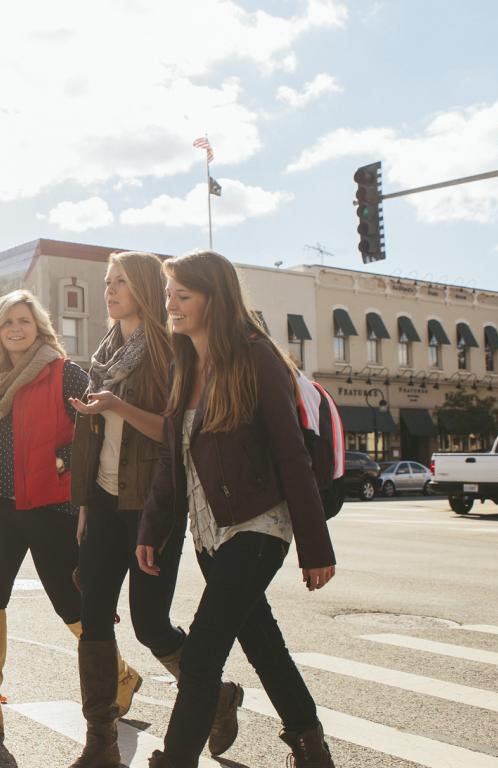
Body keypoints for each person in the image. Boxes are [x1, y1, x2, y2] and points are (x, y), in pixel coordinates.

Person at [140, 250, 337, 768]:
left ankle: (175, 759)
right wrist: (152, 529)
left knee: (203, 653)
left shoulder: (256, 356)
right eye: (170, 294)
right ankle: (308, 740)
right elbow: (171, 459)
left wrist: (314, 546)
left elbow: (291, 452)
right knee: (262, 642)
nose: (172, 304)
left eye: (184, 295)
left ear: (215, 297)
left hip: (257, 526)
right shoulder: (184, 364)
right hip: (210, 534)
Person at [65, 251, 241, 767]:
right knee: (93, 618)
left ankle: (216, 694)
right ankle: (100, 743)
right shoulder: (103, 355)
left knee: (149, 623)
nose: (110, 290)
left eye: (120, 281)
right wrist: (81, 502)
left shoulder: (172, 351)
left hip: (150, 506)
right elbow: (86, 436)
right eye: (106, 282)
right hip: (101, 501)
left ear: (143, 286)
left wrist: (117, 406)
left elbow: (175, 433)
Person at [0, 290, 95, 741]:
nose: (16, 329)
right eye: (7, 323)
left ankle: (119, 677)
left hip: (52, 504)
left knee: (69, 603)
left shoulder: (65, 373)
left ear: (39, 326)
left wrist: (78, 488)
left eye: (24, 320)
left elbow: (95, 432)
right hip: (3, 506)